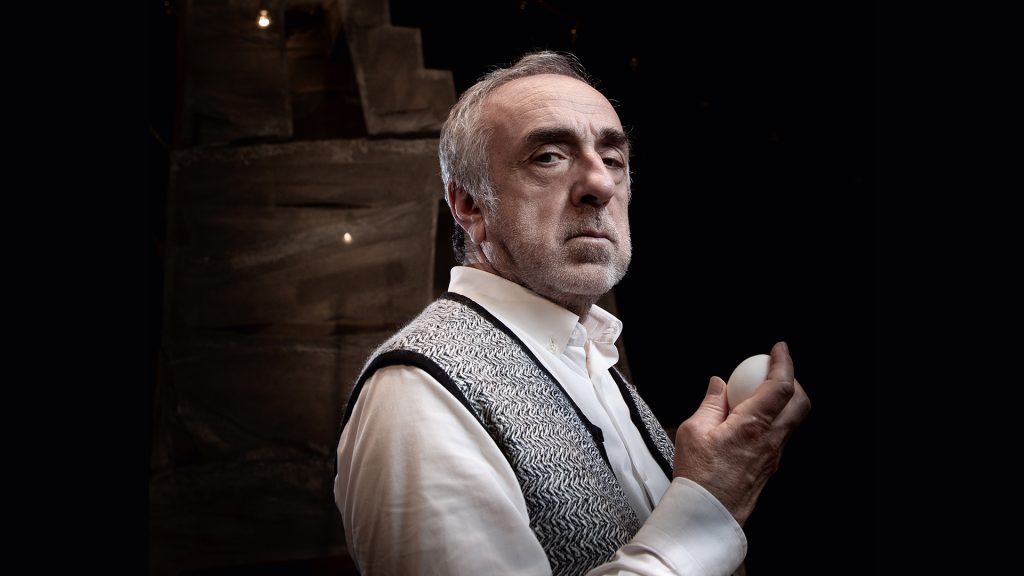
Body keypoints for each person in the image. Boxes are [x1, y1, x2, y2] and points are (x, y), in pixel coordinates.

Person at [334, 50, 811, 576]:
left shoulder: (591, 359)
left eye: (613, 159)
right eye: (549, 156)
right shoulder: (415, 393)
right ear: (470, 204)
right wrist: (708, 505)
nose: (601, 184)